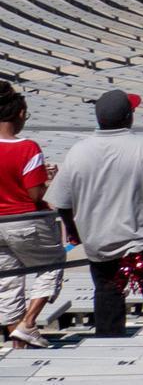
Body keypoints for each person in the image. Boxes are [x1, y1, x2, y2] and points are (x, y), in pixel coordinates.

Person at [45, 91, 143, 339]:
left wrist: (73, 231)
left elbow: (62, 201)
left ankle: (109, 349)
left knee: (107, 293)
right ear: (129, 117)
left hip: (102, 242)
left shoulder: (78, 151)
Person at [0, 82, 60, 349]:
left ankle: (19, 342)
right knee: (52, 263)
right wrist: (48, 181)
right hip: (25, 219)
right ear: (20, 113)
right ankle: (29, 323)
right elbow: (35, 194)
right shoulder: (27, 148)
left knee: (9, 280)